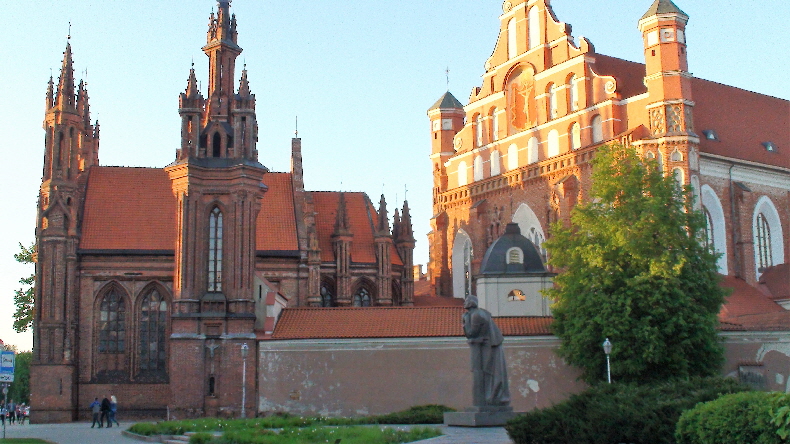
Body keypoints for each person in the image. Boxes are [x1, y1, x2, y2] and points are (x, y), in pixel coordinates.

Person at [462, 295, 511, 408]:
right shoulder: (476, 313)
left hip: (490, 346)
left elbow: (471, 334)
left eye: (466, 301)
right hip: (487, 346)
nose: (464, 303)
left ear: (471, 303)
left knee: (490, 372)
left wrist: (464, 323)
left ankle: (492, 398)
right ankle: (489, 398)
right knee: (488, 372)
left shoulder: (476, 315)